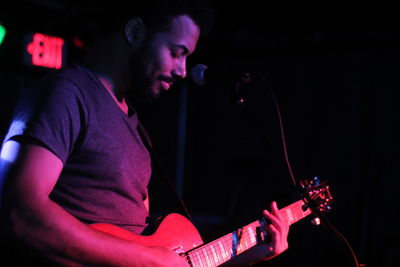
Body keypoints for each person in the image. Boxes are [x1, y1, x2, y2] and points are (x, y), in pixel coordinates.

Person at [0, 1, 290, 266]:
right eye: (177, 53)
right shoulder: (66, 94)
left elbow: (158, 254)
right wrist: (147, 259)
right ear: (135, 30)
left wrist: (249, 255)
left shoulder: (136, 130)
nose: (183, 71)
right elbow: (20, 212)